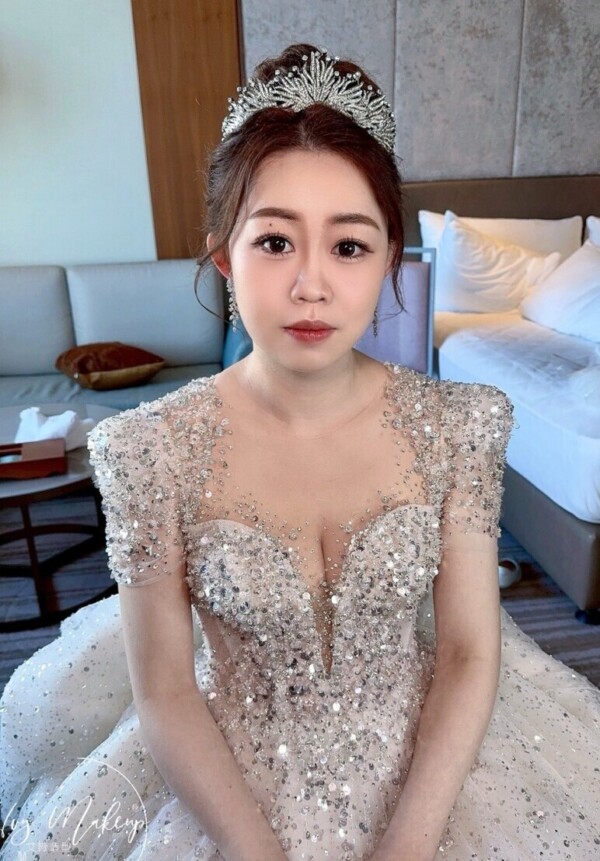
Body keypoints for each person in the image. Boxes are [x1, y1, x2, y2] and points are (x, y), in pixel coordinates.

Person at [1, 43, 599, 861]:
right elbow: (166, 689)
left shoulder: (461, 425)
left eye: (348, 246)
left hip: (434, 770)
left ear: (389, 259)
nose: (311, 283)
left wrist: (409, 844)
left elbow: (467, 652)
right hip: (225, 782)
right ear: (224, 254)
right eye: (276, 241)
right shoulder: (147, 448)